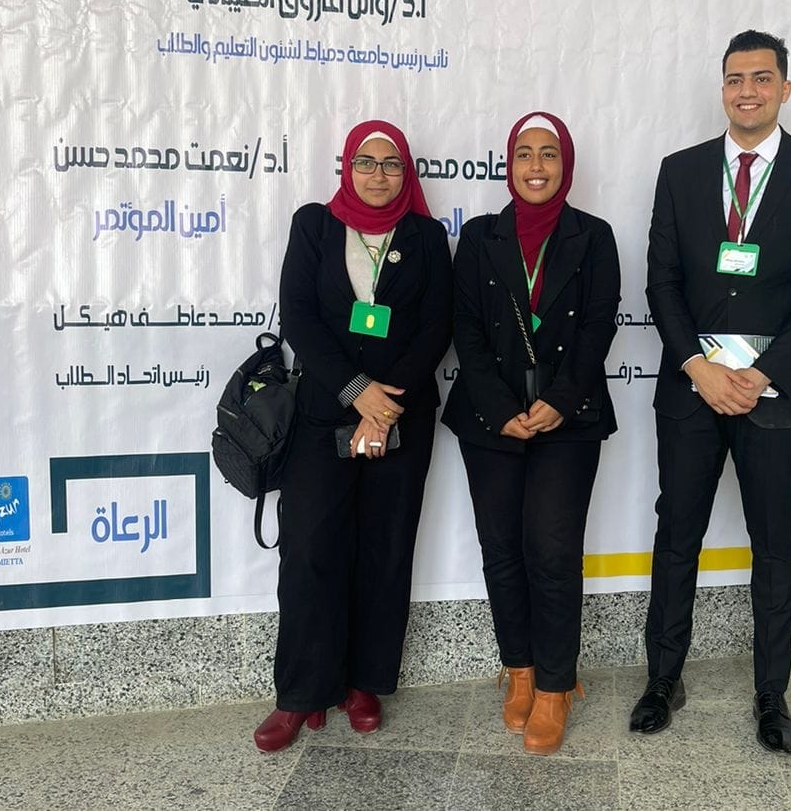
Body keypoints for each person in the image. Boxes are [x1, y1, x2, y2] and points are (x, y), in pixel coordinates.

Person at [629, 30, 791, 754]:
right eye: (734, 79)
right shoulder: (681, 171)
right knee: (677, 536)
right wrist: (697, 366)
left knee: (774, 542)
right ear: (721, 89)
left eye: (760, 78)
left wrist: (764, 373)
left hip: (772, 395)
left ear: (785, 88)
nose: (746, 91)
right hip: (692, 389)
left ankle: (771, 694)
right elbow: (662, 281)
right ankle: (663, 679)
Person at [253, 119, 453, 752]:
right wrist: (355, 391)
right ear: (347, 168)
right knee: (310, 549)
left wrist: (383, 405)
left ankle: (363, 684)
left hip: (402, 415)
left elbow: (437, 325)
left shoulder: (425, 236)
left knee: (384, 549)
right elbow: (299, 316)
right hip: (322, 415)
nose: (378, 175)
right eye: (365, 163)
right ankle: (301, 692)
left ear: (406, 173)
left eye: (391, 164)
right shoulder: (314, 225)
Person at [443, 112, 620, 756]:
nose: (536, 166)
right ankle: (517, 669)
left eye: (549, 154)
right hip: (490, 418)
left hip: (568, 417)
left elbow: (598, 326)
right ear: (509, 164)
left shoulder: (593, 236)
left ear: (565, 164)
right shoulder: (479, 236)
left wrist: (559, 402)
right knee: (501, 547)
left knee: (552, 549)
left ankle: (554, 685)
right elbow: (464, 327)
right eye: (524, 153)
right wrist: (499, 408)